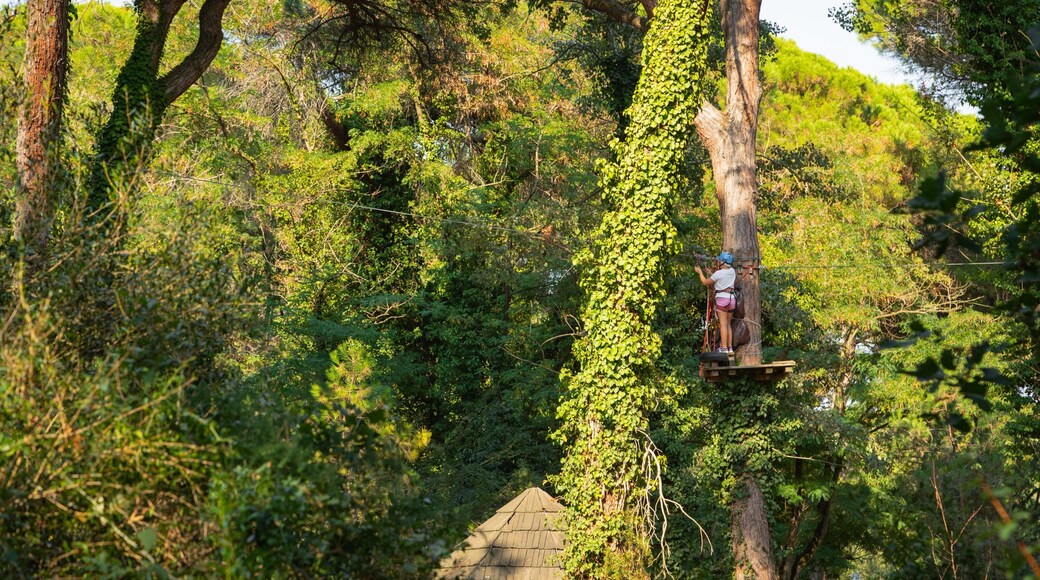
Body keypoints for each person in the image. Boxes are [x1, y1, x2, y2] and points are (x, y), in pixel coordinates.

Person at [694, 251, 736, 354]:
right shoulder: (732, 271)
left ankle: (724, 349)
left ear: (722, 262)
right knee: (728, 324)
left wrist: (700, 272)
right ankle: (729, 348)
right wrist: (710, 274)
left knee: (723, 324)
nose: (718, 262)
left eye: (720, 260)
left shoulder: (719, 273)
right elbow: (720, 279)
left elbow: (705, 282)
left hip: (722, 299)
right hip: (732, 299)